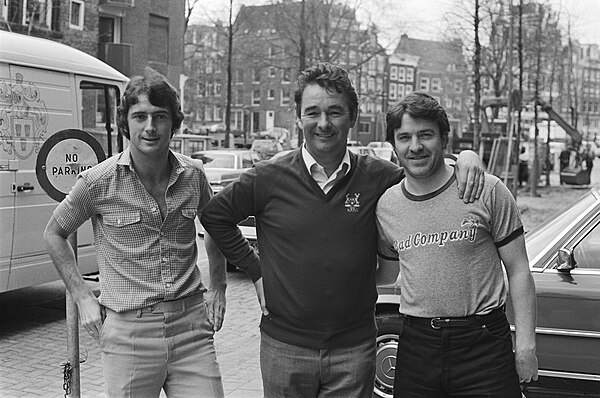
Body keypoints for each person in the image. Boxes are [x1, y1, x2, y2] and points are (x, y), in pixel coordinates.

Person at [200, 62, 485, 397]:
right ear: (298, 117)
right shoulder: (267, 177)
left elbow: (425, 174)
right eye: (313, 112)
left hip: (355, 349)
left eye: (335, 112)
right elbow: (214, 217)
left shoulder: (380, 177)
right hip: (284, 347)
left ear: (352, 116)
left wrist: (466, 157)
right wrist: (255, 269)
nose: (323, 123)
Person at [43, 68, 226, 398]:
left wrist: (219, 287)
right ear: (125, 122)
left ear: (175, 122)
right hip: (129, 335)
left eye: (160, 116)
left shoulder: (194, 175)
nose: (151, 127)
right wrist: (82, 295)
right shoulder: (97, 182)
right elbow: (54, 233)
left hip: (192, 329)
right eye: (140, 116)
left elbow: (216, 227)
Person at [376, 92, 538, 397]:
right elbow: (385, 273)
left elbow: (518, 269)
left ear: (444, 138)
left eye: (426, 135)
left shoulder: (487, 190)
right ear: (393, 145)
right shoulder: (386, 206)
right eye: (404, 137)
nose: (415, 146)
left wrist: (526, 346)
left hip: (484, 344)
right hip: (416, 346)